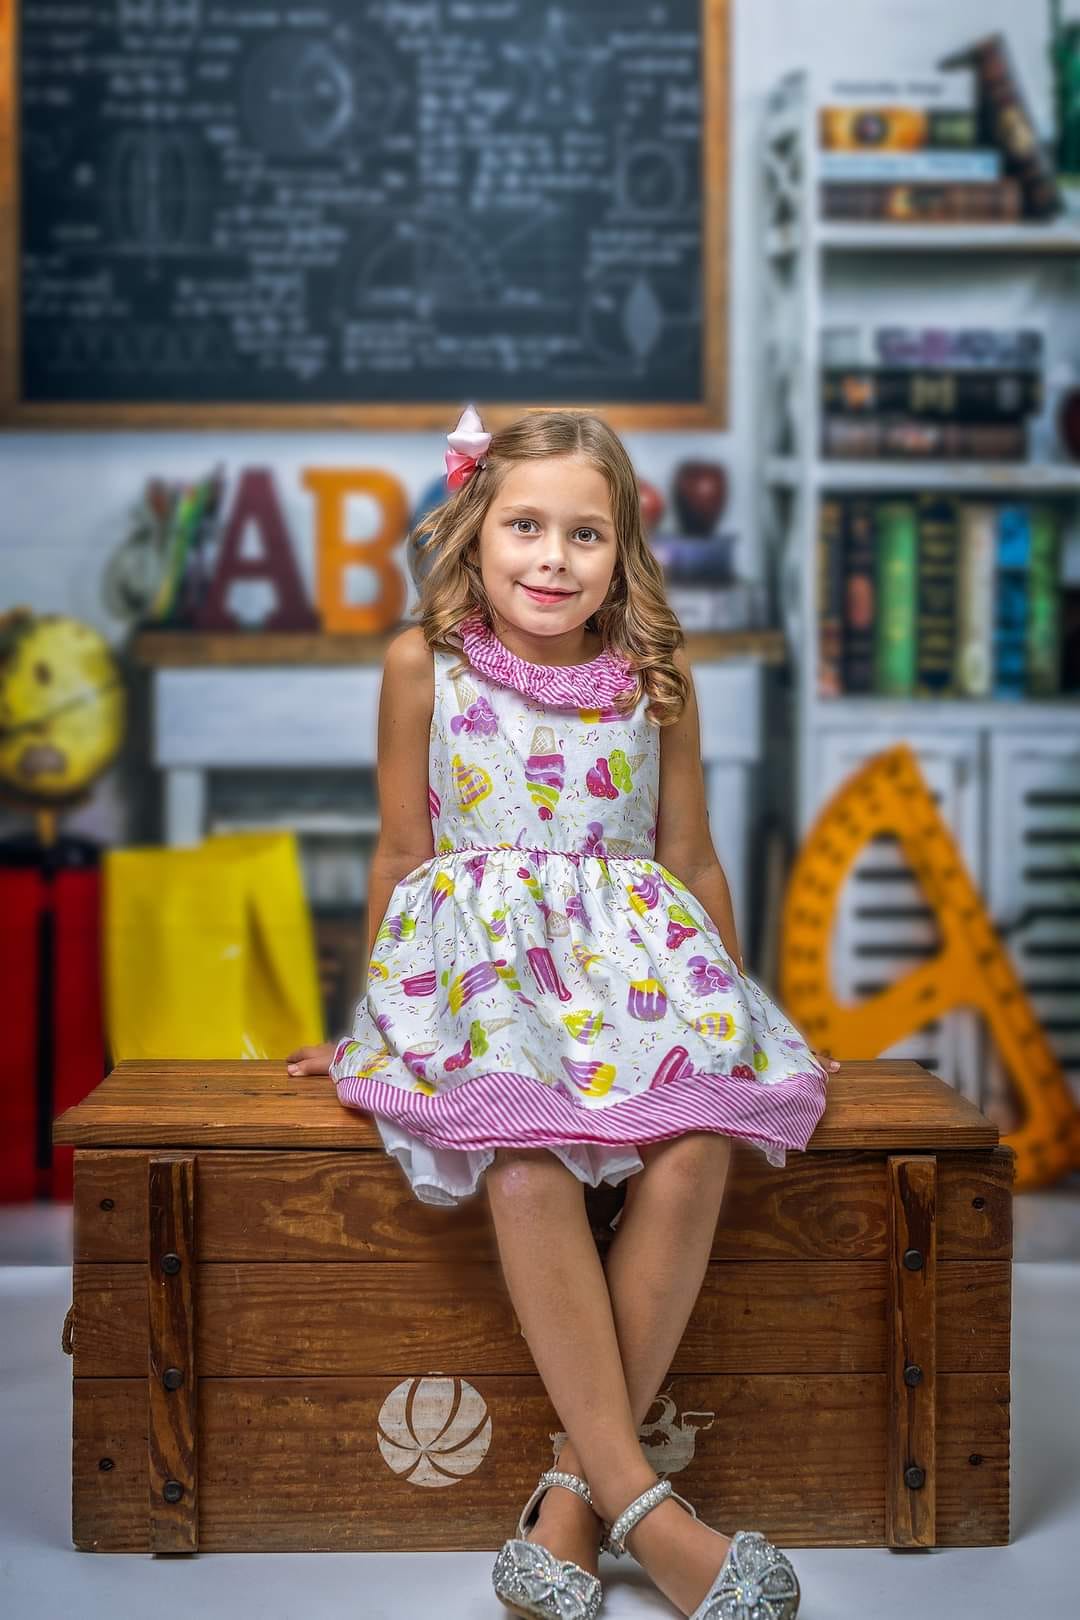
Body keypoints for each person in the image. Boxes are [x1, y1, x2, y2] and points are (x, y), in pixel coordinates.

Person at [287, 403, 839, 1620]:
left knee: (699, 1143)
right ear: (477, 532)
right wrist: (372, 1022)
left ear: (623, 550)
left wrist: (743, 1018)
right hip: (487, 982)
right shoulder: (422, 665)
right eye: (525, 527)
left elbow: (691, 859)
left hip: (636, 970)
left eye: (584, 534)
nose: (552, 558)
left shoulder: (655, 679)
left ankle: (570, 1506)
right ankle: (650, 1508)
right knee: (523, 1154)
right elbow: (401, 852)